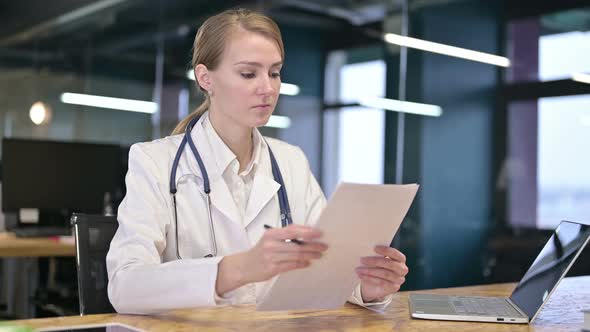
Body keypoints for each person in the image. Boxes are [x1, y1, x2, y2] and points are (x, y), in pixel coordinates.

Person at [106, 8, 408, 315]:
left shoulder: (290, 161)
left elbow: (325, 268)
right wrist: (235, 269)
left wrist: (367, 286)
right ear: (205, 77)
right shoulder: (155, 162)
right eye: (249, 73)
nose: (268, 88)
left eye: (274, 73)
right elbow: (124, 286)